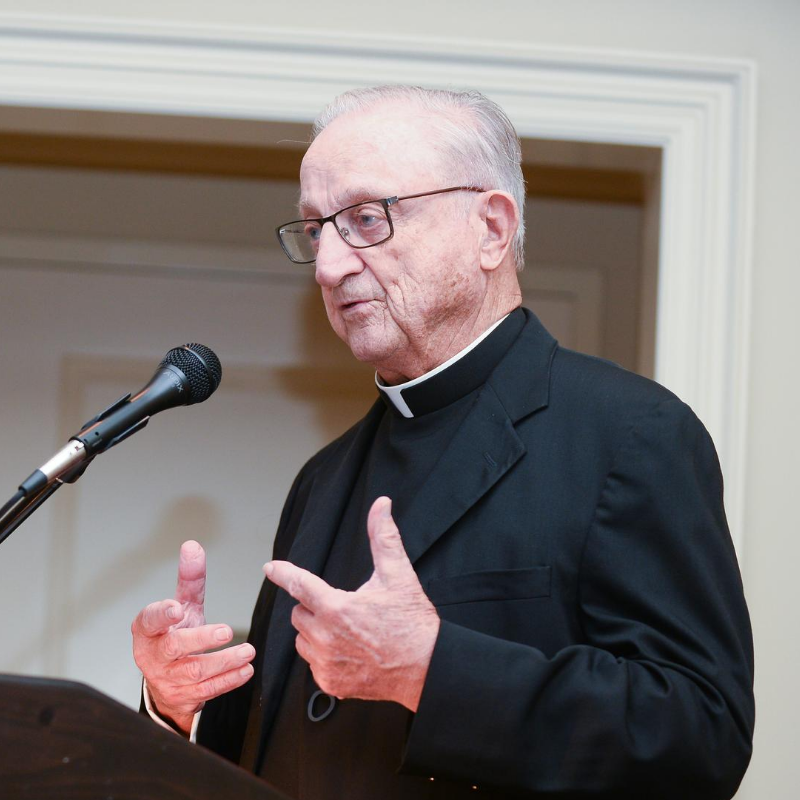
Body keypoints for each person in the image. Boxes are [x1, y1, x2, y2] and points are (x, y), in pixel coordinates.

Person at [131, 86, 754, 799]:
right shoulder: (324, 477)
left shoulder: (630, 434)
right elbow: (297, 742)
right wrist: (181, 703)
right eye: (315, 231)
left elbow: (701, 738)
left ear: (491, 229)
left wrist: (431, 667)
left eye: (365, 219)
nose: (330, 266)